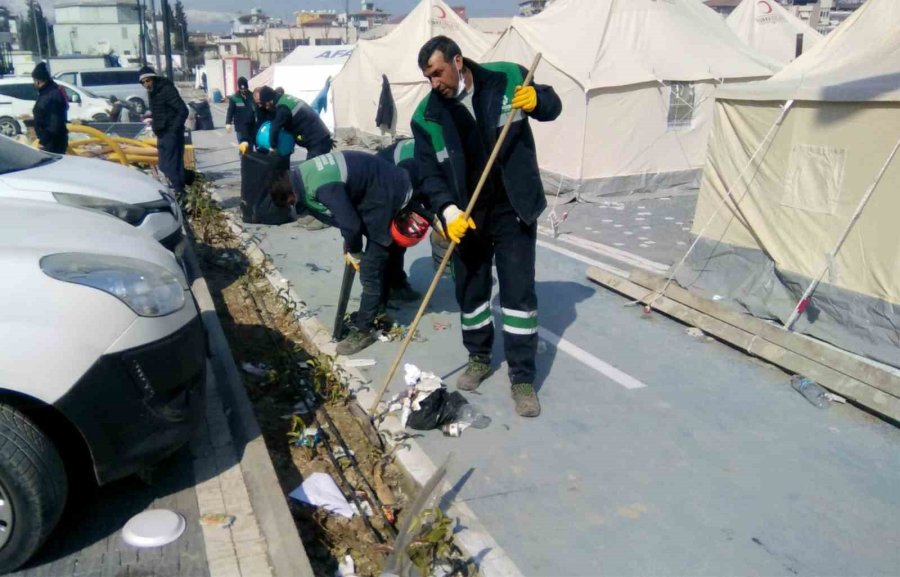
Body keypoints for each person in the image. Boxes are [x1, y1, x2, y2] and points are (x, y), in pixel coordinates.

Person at [411, 36, 562, 417]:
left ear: (458, 62)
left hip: (513, 208)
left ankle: (522, 378)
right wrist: (446, 211)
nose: (435, 83)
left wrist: (538, 101)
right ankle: (478, 357)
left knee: (518, 296)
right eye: (427, 77)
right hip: (468, 216)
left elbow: (552, 105)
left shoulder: (507, 77)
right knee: (472, 293)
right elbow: (428, 173)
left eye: (438, 73)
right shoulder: (427, 117)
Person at [269, 151, 430, 355]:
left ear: (290, 194)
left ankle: (365, 329)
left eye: (291, 203)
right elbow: (348, 213)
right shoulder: (305, 172)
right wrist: (350, 241)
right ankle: (395, 289)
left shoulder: (321, 188)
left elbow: (352, 224)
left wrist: (354, 250)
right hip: (386, 185)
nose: (295, 206)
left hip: (388, 195)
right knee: (385, 250)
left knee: (370, 269)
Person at [140, 66, 189, 200]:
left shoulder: (166, 90)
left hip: (171, 133)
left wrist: (174, 129)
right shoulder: (153, 92)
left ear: (153, 79)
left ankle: (180, 192)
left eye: (148, 80)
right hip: (161, 132)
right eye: (143, 82)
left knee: (171, 166)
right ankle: (181, 188)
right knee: (163, 165)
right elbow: (161, 110)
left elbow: (183, 110)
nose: (146, 84)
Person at [254, 86, 333, 161]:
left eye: (265, 104)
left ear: (269, 100)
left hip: (318, 142)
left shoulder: (282, 108)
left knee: (313, 172)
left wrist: (272, 147)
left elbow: (275, 127)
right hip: (321, 138)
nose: (266, 107)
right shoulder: (285, 99)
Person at [31, 62, 68, 154]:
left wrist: (43, 141)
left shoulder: (51, 95)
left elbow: (54, 123)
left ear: (39, 80)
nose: (34, 83)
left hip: (52, 142)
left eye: (34, 80)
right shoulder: (47, 93)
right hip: (51, 140)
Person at [225, 76, 256, 152]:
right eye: (242, 89)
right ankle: (243, 162)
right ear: (239, 88)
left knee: (250, 147)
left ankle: (250, 162)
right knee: (243, 148)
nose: (243, 91)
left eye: (245, 89)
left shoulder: (253, 96)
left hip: (251, 126)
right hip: (240, 127)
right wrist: (228, 123)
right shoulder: (234, 98)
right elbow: (230, 111)